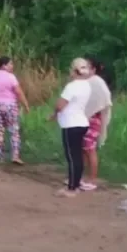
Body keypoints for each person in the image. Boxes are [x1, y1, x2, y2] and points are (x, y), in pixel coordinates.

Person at [49, 58, 92, 197]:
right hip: (82, 122)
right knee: (77, 155)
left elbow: (60, 105)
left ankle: (72, 188)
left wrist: (54, 113)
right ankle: (76, 184)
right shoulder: (87, 85)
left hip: (71, 124)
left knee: (72, 157)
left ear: (73, 70)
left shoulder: (72, 86)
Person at [0, 56, 30, 165]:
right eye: (10, 64)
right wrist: (25, 104)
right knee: (14, 130)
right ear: (4, 65)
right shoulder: (11, 77)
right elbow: (18, 92)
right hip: (9, 106)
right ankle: (15, 155)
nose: (12, 66)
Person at [81, 57, 113, 191]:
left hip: (93, 120)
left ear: (94, 69)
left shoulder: (97, 83)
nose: (84, 69)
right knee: (82, 149)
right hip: (82, 119)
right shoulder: (84, 82)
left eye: (87, 67)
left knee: (90, 149)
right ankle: (80, 177)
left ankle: (92, 180)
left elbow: (104, 102)